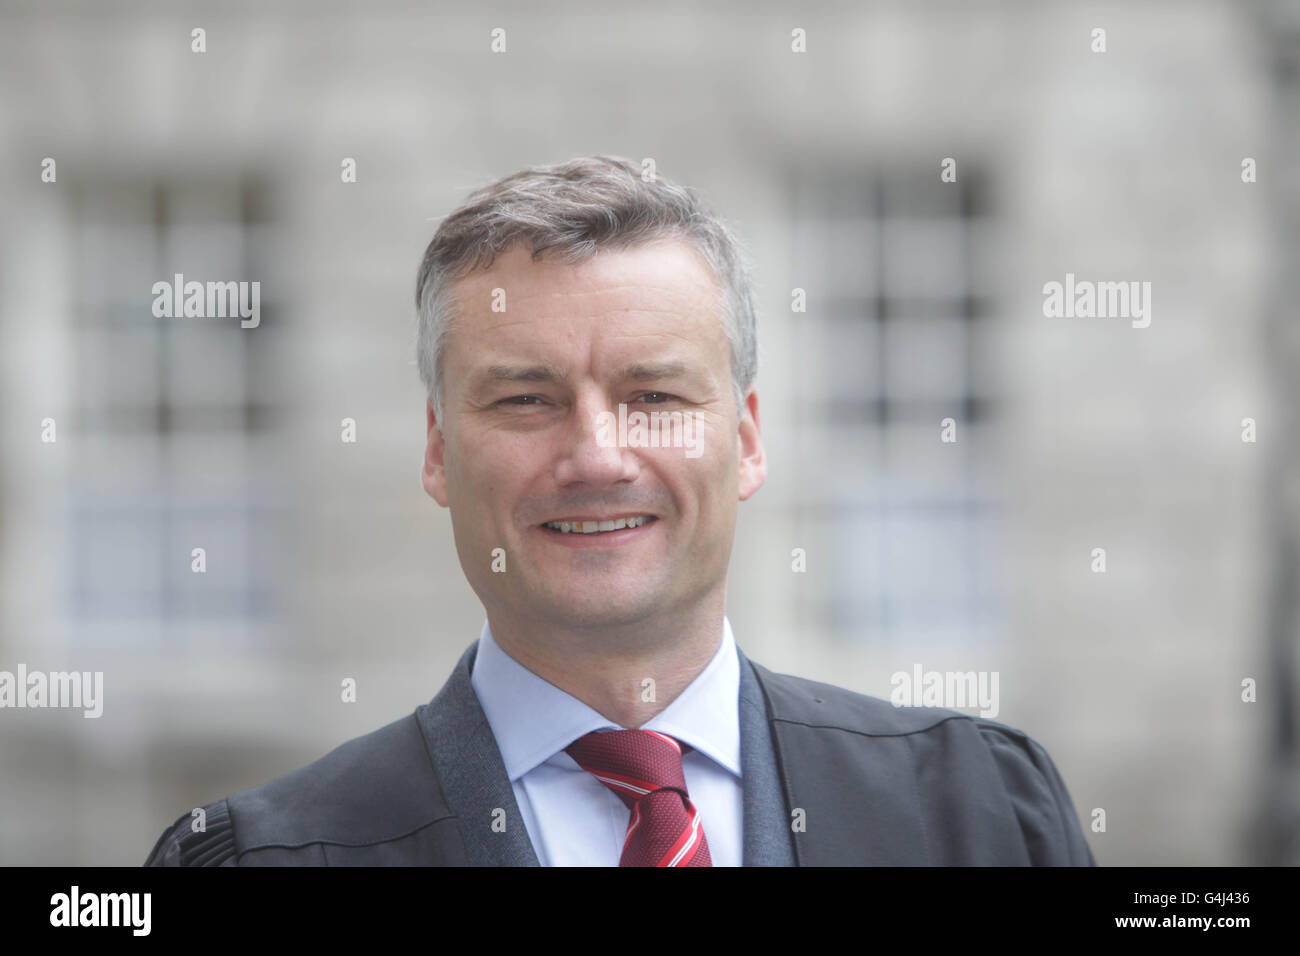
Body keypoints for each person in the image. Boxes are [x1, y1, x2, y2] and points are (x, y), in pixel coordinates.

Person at [145, 155, 1095, 867]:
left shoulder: (981, 817)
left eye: (656, 396)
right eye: (525, 399)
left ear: (748, 440)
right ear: (438, 449)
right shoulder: (267, 858)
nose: (598, 456)